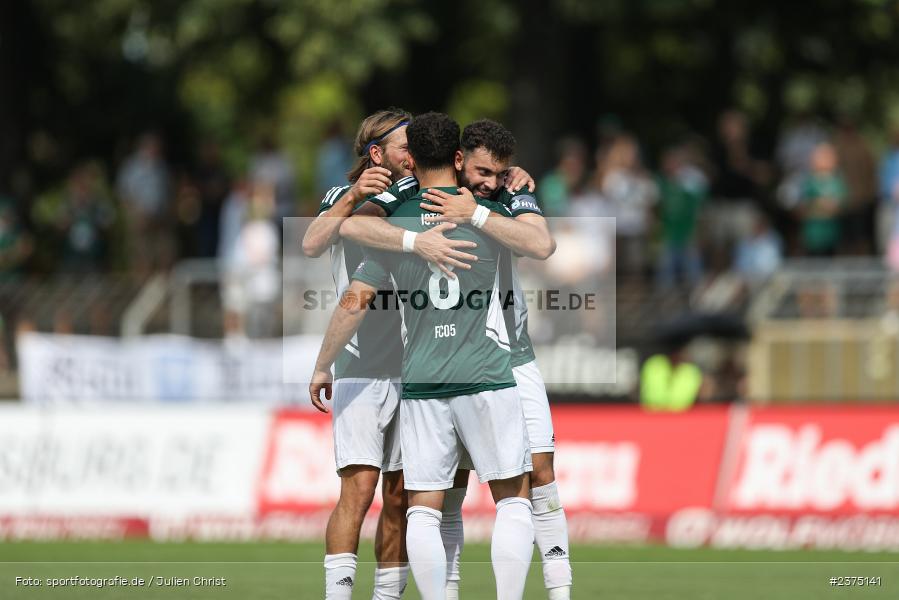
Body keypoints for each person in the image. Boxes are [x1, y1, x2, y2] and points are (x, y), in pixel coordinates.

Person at [302, 109, 537, 600]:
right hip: (375, 365)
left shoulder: (416, 202)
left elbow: (358, 288)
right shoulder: (359, 199)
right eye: (401, 146)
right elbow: (315, 242)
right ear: (377, 154)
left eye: (415, 147)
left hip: (415, 369)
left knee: (406, 501)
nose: (409, 155)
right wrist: (405, 231)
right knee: (363, 492)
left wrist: (509, 178)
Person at [797, 142, 847, 257]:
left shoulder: (837, 181)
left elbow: (840, 203)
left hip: (832, 234)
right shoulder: (809, 181)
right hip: (813, 234)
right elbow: (803, 204)